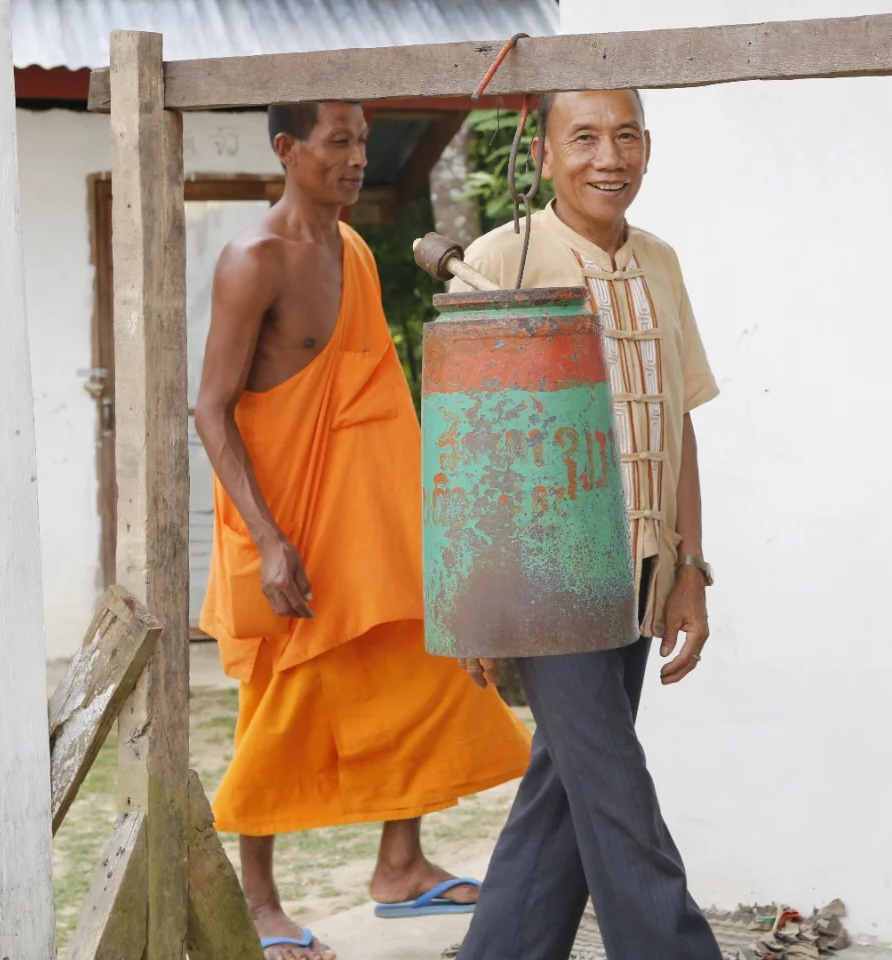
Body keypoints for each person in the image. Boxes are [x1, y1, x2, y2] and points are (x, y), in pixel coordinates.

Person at [194, 100, 532, 960]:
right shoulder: (252, 259)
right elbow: (211, 409)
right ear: (287, 148)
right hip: (289, 520)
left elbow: (370, 390)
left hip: (370, 516)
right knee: (280, 699)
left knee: (418, 666)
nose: (354, 159)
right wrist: (269, 540)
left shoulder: (349, 249)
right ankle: (260, 901)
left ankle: (400, 865)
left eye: (362, 143)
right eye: (337, 142)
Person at [451, 89, 722, 960]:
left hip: (641, 567)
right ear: (543, 157)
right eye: (586, 138)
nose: (610, 157)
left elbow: (677, 417)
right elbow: (471, 441)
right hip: (544, 576)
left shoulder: (662, 262)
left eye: (627, 135)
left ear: (649, 146)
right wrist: (476, 603)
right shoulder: (499, 260)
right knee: (612, 790)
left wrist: (690, 567)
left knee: (565, 794)